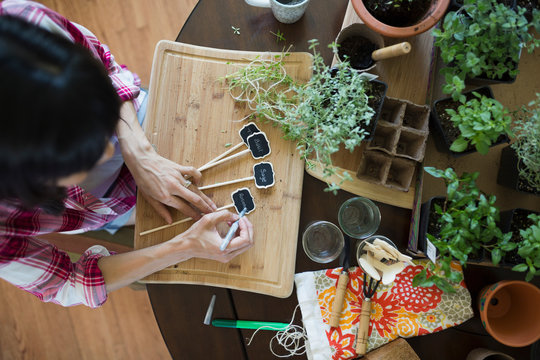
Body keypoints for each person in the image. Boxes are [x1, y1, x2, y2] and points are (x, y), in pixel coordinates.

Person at [0, 0, 253, 308]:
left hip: (141, 120)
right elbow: (69, 283)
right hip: (104, 209)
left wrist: (138, 151)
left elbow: (107, 67)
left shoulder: (23, 24)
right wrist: (185, 246)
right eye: (86, 154)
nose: (108, 148)